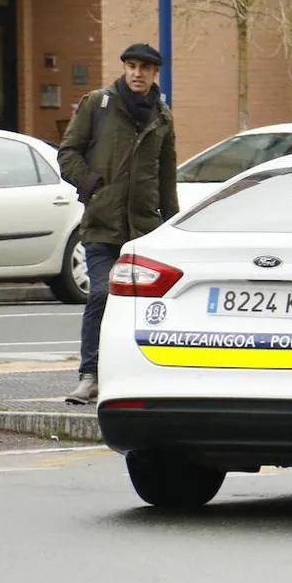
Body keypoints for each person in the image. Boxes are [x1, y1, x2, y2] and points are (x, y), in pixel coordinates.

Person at [58, 43, 179, 405]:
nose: (137, 73)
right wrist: (92, 184)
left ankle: (138, 374)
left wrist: (171, 223)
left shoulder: (162, 116)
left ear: (155, 73)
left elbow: (166, 175)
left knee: (147, 306)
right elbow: (67, 153)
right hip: (101, 222)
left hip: (143, 229)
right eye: (131, 66)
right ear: (124, 68)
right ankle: (89, 375)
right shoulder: (99, 104)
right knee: (102, 294)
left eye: (144, 67)